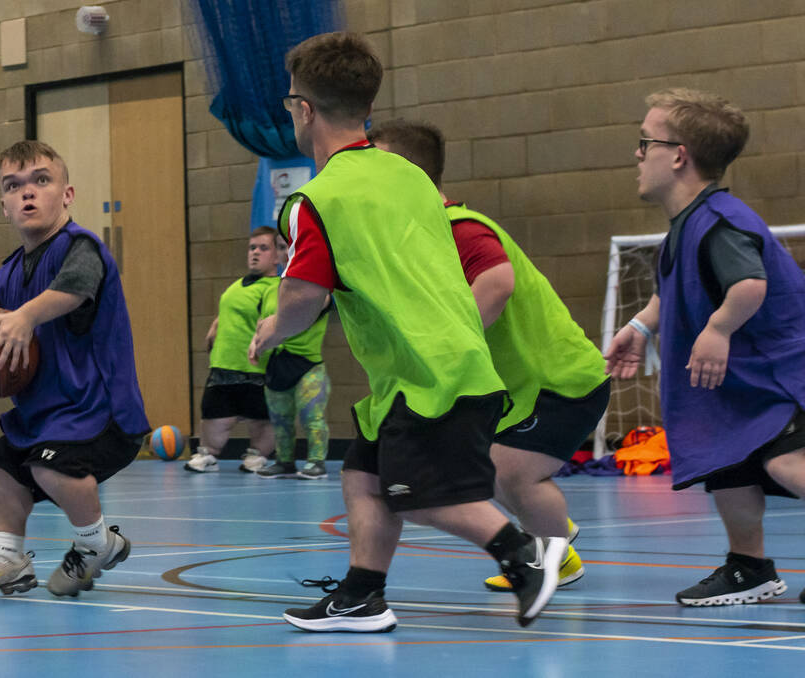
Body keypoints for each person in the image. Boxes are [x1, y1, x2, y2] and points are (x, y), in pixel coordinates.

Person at [248, 32, 566, 632]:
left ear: (303, 109)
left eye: (291, 102)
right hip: (440, 364)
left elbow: (304, 295)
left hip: (428, 374)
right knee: (362, 477)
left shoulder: (315, 199)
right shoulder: (410, 177)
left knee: (416, 494)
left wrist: (273, 327)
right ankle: (363, 595)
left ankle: (521, 555)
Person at [367, 119, 608, 592]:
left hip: (558, 379)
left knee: (511, 473)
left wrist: (449, 350)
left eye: (379, 166)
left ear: (408, 174)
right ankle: (553, 539)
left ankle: (556, 555)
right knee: (487, 470)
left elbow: (497, 285)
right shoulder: (422, 237)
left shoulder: (458, 227)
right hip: (518, 390)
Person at [606, 88, 805, 607]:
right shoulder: (688, 225)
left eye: (644, 141)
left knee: (786, 463)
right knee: (727, 464)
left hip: (778, 376)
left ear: (677, 155)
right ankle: (750, 568)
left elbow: (749, 285)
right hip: (740, 388)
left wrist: (717, 330)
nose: (637, 153)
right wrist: (644, 326)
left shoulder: (719, 222)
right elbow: (672, 288)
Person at [0, 140, 150, 600]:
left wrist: (25, 316)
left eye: (41, 180)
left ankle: (98, 544)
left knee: (47, 465)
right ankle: (7, 560)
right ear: (3, 205)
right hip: (46, 413)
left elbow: (74, 291)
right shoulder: (7, 273)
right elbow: (8, 343)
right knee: (4, 467)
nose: (28, 193)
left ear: (68, 194)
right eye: (13, 186)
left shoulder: (81, 247)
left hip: (100, 412)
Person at [184, 226, 279, 474]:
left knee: (262, 421)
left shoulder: (275, 287)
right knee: (213, 421)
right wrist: (214, 328)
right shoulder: (237, 285)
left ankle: (258, 456)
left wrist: (257, 342)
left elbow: (271, 320)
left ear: (277, 256)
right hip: (223, 367)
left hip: (255, 371)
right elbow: (227, 311)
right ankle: (207, 455)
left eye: (263, 248)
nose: (255, 253)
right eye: (252, 248)